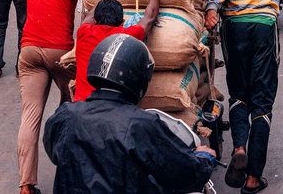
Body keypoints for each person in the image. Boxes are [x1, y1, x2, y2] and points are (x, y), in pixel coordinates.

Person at [43, 33, 217, 194]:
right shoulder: (141, 124)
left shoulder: (65, 115)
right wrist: (204, 158)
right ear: (139, 78)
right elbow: (184, 174)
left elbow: (53, 151)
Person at [204, 0, 283, 193]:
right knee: (262, 102)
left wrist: (213, 6)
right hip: (264, 27)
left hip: (235, 27)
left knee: (239, 94)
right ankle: (253, 178)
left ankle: (239, 147)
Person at [16, 0, 83, 194]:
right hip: (60, 53)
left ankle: (26, 184)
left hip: (29, 51)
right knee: (76, 105)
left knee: (30, 116)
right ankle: (74, 167)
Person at [73, 0, 168, 102]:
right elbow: (149, 17)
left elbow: (89, 16)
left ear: (95, 20)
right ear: (122, 22)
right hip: (109, 109)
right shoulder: (125, 37)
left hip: (81, 105)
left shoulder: (83, 32)